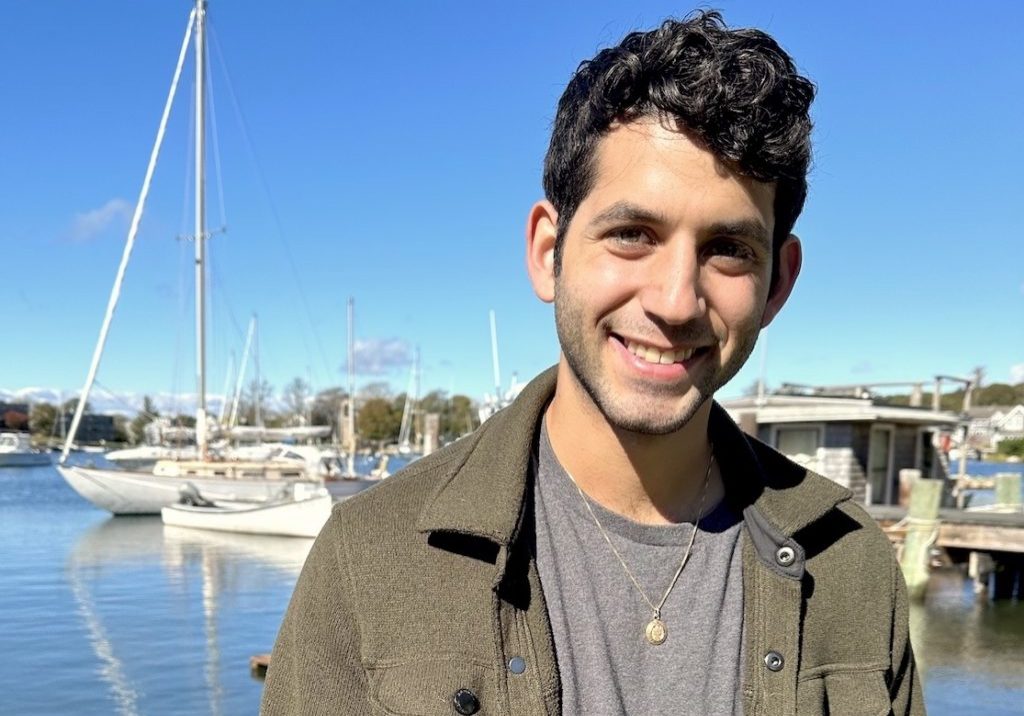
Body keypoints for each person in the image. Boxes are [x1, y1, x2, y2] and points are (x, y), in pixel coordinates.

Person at [261, 11, 924, 715]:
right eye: (632, 234)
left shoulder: (850, 565)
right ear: (549, 250)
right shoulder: (370, 560)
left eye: (728, 249)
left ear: (778, 285)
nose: (675, 301)